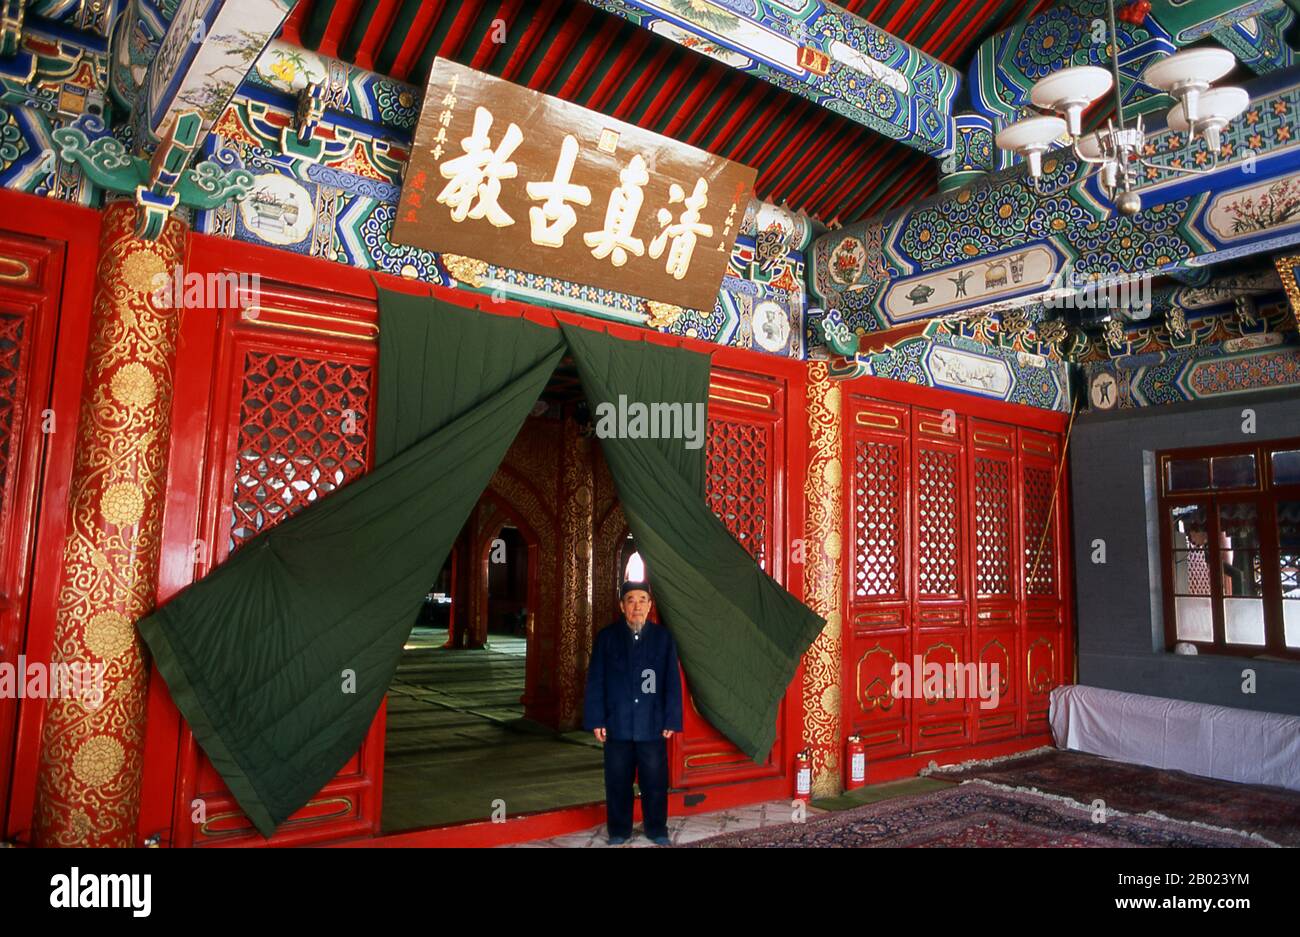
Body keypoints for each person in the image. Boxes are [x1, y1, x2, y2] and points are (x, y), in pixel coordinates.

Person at [582, 580, 683, 845]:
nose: (636, 605)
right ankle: (619, 830)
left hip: (652, 723)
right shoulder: (607, 637)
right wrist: (597, 719)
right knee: (617, 780)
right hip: (618, 723)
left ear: (650, 606)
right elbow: (596, 681)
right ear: (622, 606)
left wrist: (671, 718)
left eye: (642, 600)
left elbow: (672, 681)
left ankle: (656, 829)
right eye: (631, 600)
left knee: (655, 781)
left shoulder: (663, 638)